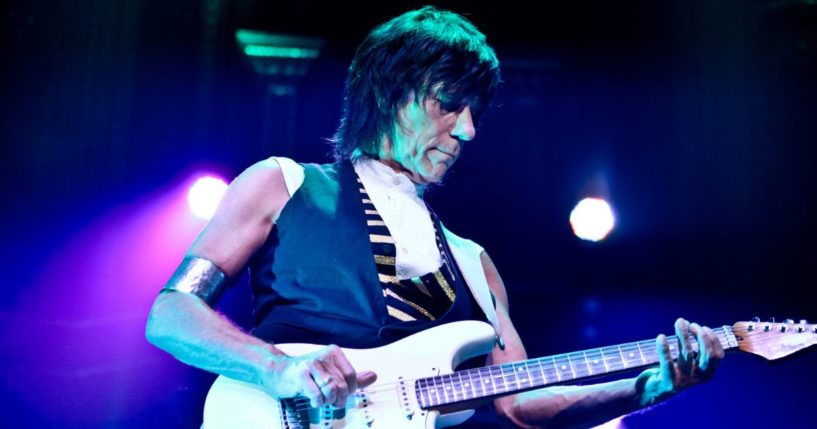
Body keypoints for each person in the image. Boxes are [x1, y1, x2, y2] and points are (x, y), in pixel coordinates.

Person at [146, 6, 724, 428]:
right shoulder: (284, 184)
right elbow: (171, 314)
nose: (468, 129)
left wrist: (649, 385)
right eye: (448, 104)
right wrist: (275, 369)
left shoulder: (475, 264)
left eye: (474, 111)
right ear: (390, 93)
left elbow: (520, 404)